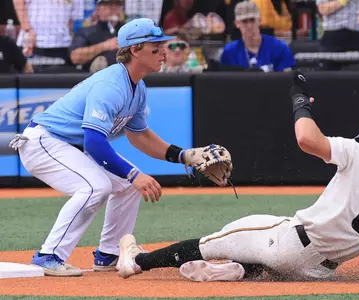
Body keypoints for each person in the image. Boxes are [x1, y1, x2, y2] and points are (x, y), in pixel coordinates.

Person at [115, 71, 359, 283]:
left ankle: (138, 262)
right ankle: (234, 271)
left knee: (214, 239)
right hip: (319, 271)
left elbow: (306, 138)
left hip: (290, 242)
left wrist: (298, 99)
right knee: (257, 256)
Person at [8, 18, 231, 277]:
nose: (163, 51)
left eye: (162, 46)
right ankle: (49, 255)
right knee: (95, 186)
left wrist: (182, 155)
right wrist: (134, 175)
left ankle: (109, 254)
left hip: (68, 146)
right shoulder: (111, 86)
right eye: (155, 46)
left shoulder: (138, 87)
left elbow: (140, 137)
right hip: (44, 142)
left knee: (126, 186)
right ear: (135, 50)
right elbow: (94, 142)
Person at [219, 1, 295, 72]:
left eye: (252, 20)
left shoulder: (279, 47)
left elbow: (288, 80)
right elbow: (225, 83)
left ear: (259, 20)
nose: (249, 26)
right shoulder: (229, 52)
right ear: (237, 24)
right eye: (244, 21)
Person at [69, 0, 125, 72]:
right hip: (94, 79)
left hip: (124, 80)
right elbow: (75, 57)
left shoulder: (130, 32)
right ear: (98, 9)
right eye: (108, 4)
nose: (113, 7)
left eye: (117, 4)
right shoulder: (86, 32)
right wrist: (104, 46)